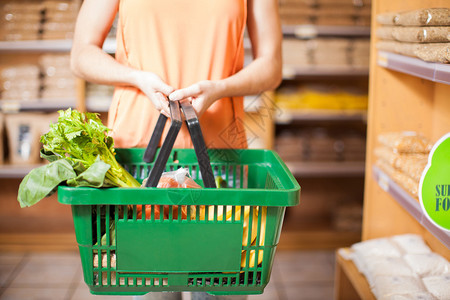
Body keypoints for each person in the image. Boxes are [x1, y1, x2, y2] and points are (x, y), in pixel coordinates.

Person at [71, 0, 281, 299]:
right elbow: (81, 54)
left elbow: (271, 67)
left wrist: (220, 87)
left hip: (219, 160)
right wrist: (137, 78)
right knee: (149, 289)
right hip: (140, 156)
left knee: (218, 287)